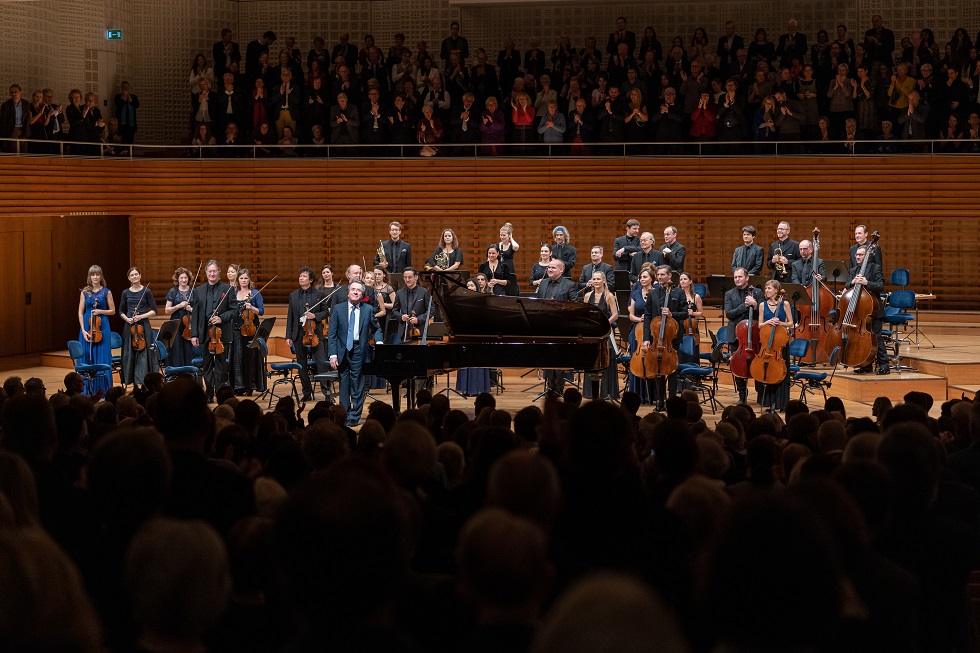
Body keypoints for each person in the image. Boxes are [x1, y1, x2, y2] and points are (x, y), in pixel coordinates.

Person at [328, 280, 382, 427]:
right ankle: (343, 415)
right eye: (353, 289)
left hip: (359, 349)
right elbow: (332, 334)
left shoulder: (368, 309)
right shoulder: (338, 309)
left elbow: (376, 329)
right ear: (348, 292)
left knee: (357, 384)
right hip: (342, 351)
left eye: (359, 290)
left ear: (362, 294)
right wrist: (333, 355)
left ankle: (354, 416)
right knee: (344, 384)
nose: (356, 292)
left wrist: (379, 342)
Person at [642, 265, 688, 410]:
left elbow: (685, 313)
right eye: (658, 275)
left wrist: (671, 314)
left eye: (662, 274)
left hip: (671, 338)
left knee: (672, 370)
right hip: (656, 337)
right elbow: (648, 316)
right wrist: (646, 338)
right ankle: (660, 402)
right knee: (658, 370)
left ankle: (672, 401)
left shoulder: (679, 292)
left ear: (669, 276)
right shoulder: (653, 293)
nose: (660, 277)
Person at [190, 260, 233, 403]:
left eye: (215, 271)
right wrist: (194, 334)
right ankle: (208, 393)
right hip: (204, 333)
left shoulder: (228, 289)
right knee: (207, 365)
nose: (212, 274)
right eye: (210, 271)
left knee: (221, 365)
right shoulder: (198, 290)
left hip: (221, 334)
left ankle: (220, 393)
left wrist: (221, 318)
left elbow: (234, 310)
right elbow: (195, 314)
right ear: (206, 273)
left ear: (219, 272)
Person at [284, 267, 328, 401]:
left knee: (321, 363)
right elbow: (290, 316)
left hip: (315, 334)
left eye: (304, 276)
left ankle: (326, 393)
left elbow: (326, 312)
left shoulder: (319, 294)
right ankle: (306, 393)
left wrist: (314, 315)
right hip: (299, 334)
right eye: (300, 276)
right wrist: (288, 336)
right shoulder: (293, 295)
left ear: (310, 280)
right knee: (302, 365)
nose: (301, 278)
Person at [537, 259, 578, 395]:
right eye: (548, 267)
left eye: (553, 268)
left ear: (561, 270)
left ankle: (559, 387)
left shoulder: (570, 285)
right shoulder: (543, 283)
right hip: (545, 326)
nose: (549, 269)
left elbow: (574, 306)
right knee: (548, 358)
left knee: (559, 358)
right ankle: (550, 386)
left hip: (562, 327)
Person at [724, 267, 765, 405]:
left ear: (747, 278)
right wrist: (745, 306)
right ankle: (742, 395)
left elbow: (765, 311)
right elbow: (729, 313)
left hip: (754, 337)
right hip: (736, 337)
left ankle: (761, 394)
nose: (737, 279)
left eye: (740, 277)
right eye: (735, 277)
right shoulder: (729, 294)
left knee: (758, 363)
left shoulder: (758, 292)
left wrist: (756, 304)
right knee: (738, 365)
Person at [847, 245, 888, 375]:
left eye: (861, 255)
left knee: (877, 338)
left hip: (873, 310)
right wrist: (852, 282)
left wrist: (866, 282)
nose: (858, 257)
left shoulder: (876, 268)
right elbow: (847, 285)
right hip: (860, 311)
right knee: (862, 340)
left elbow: (880, 286)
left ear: (867, 256)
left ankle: (884, 366)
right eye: (857, 255)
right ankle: (866, 365)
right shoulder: (854, 270)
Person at [118, 267, 159, 391]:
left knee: (144, 355)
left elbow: (154, 310)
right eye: (132, 275)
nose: (135, 277)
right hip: (130, 327)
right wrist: (127, 319)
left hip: (143, 326)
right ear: (129, 278)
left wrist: (141, 316)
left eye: (136, 274)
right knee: (130, 355)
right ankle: (134, 385)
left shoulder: (146, 291)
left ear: (140, 276)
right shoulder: (125, 292)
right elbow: (120, 311)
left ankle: (143, 384)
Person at [227, 268, 266, 396]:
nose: (243, 280)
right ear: (238, 279)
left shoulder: (255, 293)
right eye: (241, 278)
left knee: (250, 357)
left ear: (250, 280)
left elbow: (261, 311)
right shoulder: (233, 292)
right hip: (236, 329)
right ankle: (238, 386)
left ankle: (250, 385)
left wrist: (251, 307)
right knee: (237, 357)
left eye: (246, 278)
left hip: (251, 329)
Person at [755, 279, 793, 411]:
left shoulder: (785, 304)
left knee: (781, 371)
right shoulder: (762, 305)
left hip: (780, 344)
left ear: (776, 290)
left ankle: (781, 403)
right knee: (768, 370)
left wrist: (780, 323)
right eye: (766, 288)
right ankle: (768, 402)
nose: (766, 290)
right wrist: (768, 322)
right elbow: (760, 325)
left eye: (769, 288)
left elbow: (791, 323)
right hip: (767, 344)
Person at [77, 265, 115, 396]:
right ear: (90, 277)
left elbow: (113, 311)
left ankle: (103, 390)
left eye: (97, 274)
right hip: (87, 326)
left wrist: (100, 311)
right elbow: (80, 312)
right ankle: (86, 390)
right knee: (87, 356)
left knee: (102, 357)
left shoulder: (106, 292)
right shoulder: (84, 292)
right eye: (93, 275)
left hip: (102, 326)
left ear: (101, 276)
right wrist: (82, 329)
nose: (95, 277)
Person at [583, 271, 620, 400]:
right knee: (592, 359)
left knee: (606, 359)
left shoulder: (609, 296)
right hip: (592, 333)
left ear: (604, 281)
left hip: (605, 332)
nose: (596, 281)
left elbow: (615, 315)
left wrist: (604, 324)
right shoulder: (587, 296)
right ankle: (590, 392)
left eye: (598, 279)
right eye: (594, 279)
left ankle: (607, 392)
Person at [164, 267, 196, 368]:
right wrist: (179, 306)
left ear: (188, 279)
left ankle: (189, 371)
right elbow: (167, 310)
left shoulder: (194, 291)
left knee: (188, 347)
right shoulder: (173, 291)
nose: (183, 280)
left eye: (185, 278)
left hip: (189, 323)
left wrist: (191, 309)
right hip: (176, 323)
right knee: (176, 347)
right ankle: (176, 371)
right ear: (177, 279)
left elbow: (199, 310)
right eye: (181, 278)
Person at [392, 268, 430, 343]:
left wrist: (418, 319)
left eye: (409, 277)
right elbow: (394, 311)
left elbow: (431, 310)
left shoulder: (424, 292)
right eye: (405, 277)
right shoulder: (399, 293)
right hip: (404, 330)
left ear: (416, 277)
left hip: (419, 330)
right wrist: (401, 317)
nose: (407, 280)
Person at [678, 271, 704, 367]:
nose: (682, 281)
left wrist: (693, 313)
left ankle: (693, 374)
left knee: (693, 350)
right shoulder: (676, 295)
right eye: (681, 279)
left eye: (685, 279)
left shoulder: (695, 296)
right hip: (680, 326)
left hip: (691, 326)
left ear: (690, 281)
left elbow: (701, 313)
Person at [1, 84, 33, 154]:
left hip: (23, 130)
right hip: (12, 131)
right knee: (13, 152)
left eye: (15, 92)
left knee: (23, 152)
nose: (14, 94)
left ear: (20, 92)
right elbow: (3, 122)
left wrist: (25, 135)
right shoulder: (6, 105)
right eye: (11, 92)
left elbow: (27, 121)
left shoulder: (26, 104)